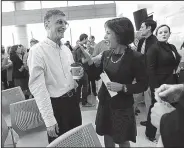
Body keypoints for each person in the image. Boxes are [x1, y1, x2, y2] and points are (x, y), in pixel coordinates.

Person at [79, 17, 148, 147]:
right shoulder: (106, 54)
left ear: (120, 34)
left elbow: (143, 84)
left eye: (108, 33)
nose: (105, 36)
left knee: (122, 139)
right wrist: (89, 62)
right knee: (107, 134)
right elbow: (97, 75)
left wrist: (123, 87)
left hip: (122, 106)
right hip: (105, 103)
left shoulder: (135, 57)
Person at [27, 9, 83, 143]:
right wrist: (49, 119)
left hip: (73, 102)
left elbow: (69, 76)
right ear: (46, 25)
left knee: (76, 142)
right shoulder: (37, 51)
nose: (63, 26)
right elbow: (38, 88)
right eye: (59, 22)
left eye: (65, 23)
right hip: (56, 106)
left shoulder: (66, 49)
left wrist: (78, 75)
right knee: (60, 144)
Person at [145, 24, 181, 142]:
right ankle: (150, 133)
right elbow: (150, 70)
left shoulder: (171, 47)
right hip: (159, 83)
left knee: (171, 107)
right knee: (156, 106)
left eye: (166, 32)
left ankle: (169, 131)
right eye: (160, 32)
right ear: (156, 35)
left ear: (170, 34)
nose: (164, 34)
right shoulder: (154, 48)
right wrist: (154, 87)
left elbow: (176, 60)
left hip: (172, 81)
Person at [137, 19, 158, 128]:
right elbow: (139, 57)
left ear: (149, 28)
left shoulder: (155, 42)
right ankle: (149, 120)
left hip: (150, 76)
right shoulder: (141, 41)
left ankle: (151, 123)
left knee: (149, 100)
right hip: (140, 75)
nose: (140, 29)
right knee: (143, 99)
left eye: (142, 27)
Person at [72, 33, 94, 107]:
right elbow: (83, 61)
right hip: (82, 69)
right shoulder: (80, 48)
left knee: (78, 87)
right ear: (84, 39)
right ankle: (84, 102)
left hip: (76, 69)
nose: (87, 40)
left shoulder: (76, 47)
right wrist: (89, 57)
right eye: (87, 39)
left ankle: (77, 101)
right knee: (85, 86)